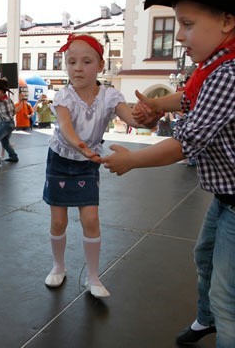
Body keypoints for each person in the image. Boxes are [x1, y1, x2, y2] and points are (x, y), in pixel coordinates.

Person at [103, 0, 235, 347]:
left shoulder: (233, 72)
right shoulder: (220, 64)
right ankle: (206, 320)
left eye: (187, 25)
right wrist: (157, 106)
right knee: (205, 257)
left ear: (227, 22)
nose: (178, 36)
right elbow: (190, 99)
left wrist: (131, 160)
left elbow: (183, 144)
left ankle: (220, 321)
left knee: (230, 296)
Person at [43, 34, 159, 298]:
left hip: (88, 162)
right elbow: (65, 127)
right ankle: (58, 266)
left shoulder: (109, 95)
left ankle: (93, 277)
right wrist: (82, 147)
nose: (78, 68)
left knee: (91, 219)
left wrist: (147, 117)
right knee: (58, 221)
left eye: (86, 61)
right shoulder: (64, 96)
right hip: (61, 159)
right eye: (71, 62)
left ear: (100, 65)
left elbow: (132, 118)